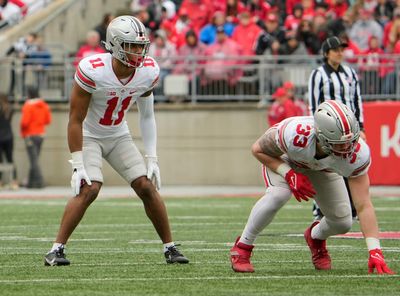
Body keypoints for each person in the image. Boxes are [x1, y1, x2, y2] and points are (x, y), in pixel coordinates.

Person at [44, 16, 189, 266]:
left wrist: (152, 158)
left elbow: (147, 115)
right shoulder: (93, 69)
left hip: (118, 134)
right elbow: (75, 119)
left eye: (140, 45)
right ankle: (55, 250)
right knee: (89, 188)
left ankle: (170, 248)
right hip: (89, 134)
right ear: (114, 44)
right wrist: (78, 163)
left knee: (145, 186)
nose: (138, 51)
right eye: (131, 45)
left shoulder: (147, 71)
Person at [230, 100, 395, 275]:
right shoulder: (295, 133)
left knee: (342, 222)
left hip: (322, 168)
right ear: (321, 136)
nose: (347, 148)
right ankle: (242, 248)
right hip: (285, 160)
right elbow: (258, 150)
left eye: (350, 141)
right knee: (279, 195)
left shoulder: (358, 154)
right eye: (339, 143)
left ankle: (315, 237)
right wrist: (288, 173)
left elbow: (363, 205)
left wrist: (375, 250)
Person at [308, 36, 366, 221]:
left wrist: (361, 126)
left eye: (342, 49)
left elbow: (357, 100)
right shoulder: (318, 74)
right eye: (336, 50)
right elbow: (313, 103)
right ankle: (320, 208)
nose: (340, 53)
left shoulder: (350, 73)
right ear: (326, 53)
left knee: (350, 164)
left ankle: (353, 207)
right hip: (328, 129)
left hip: (350, 128)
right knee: (325, 166)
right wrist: (315, 128)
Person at [20, 86, 51, 188]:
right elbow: (48, 121)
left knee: (34, 160)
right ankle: (30, 182)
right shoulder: (44, 105)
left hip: (30, 135)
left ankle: (40, 181)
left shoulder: (28, 106)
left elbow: (24, 122)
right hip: (41, 134)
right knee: (35, 159)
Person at [0, 93, 18, 189]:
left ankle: (1, 181)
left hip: (1, 137)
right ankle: (14, 181)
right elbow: (14, 106)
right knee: (10, 159)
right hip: (9, 136)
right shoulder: (9, 109)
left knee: (0, 160)